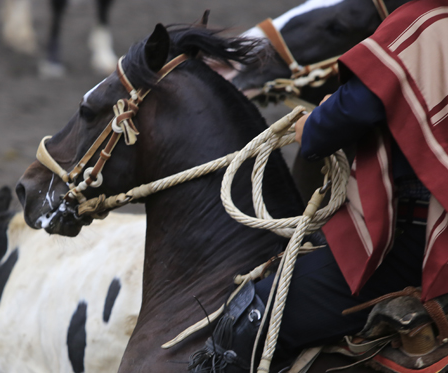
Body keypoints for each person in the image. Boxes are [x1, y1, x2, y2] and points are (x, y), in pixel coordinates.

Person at [189, 1, 448, 372]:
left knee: (248, 317)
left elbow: (354, 109)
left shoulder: (422, 21)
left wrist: (313, 124)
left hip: (415, 244)